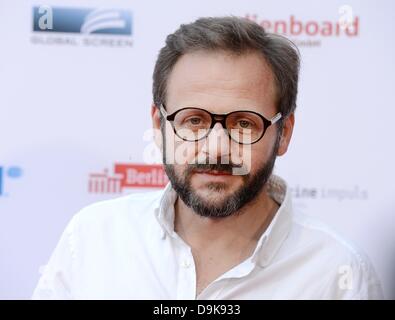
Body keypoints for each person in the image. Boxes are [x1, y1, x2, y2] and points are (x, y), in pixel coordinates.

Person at [32, 16, 383, 299]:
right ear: (159, 124)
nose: (216, 148)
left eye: (244, 123)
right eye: (194, 120)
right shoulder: (94, 238)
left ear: (284, 132)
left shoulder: (337, 274)